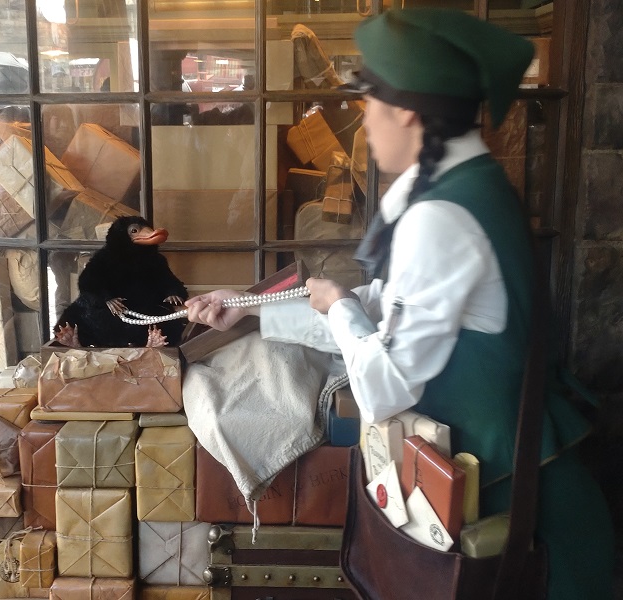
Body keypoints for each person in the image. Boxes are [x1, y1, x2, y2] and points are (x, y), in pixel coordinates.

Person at [185, 8, 613, 599]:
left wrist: (338, 304)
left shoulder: (440, 217)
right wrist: (252, 307)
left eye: (369, 102)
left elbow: (384, 385)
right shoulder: (459, 188)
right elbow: (382, 312)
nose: (364, 119)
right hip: (499, 494)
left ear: (408, 110)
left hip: (516, 517)